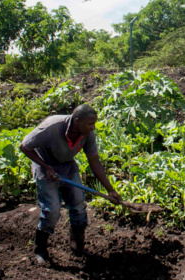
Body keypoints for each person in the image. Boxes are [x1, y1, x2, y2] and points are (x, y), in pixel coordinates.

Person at [20, 104, 121, 263]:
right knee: (52, 208)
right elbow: (24, 146)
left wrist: (110, 190)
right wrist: (46, 167)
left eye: (94, 123)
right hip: (45, 165)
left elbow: (94, 162)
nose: (93, 127)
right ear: (77, 121)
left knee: (78, 205)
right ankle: (39, 249)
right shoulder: (52, 127)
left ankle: (77, 245)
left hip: (67, 165)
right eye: (90, 123)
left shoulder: (87, 134)